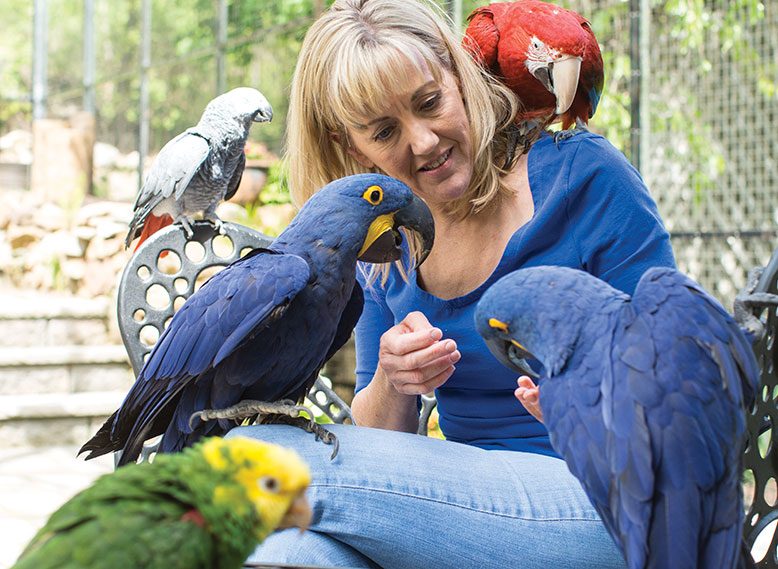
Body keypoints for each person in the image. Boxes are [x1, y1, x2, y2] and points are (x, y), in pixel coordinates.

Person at [227, 0, 676, 567]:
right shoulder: (379, 250)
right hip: (456, 526)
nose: (423, 141)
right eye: (385, 131)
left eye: (430, 102)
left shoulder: (586, 177)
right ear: (351, 147)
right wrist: (395, 382)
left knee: (255, 458)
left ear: (458, 77)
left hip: (610, 504)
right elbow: (378, 443)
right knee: (292, 552)